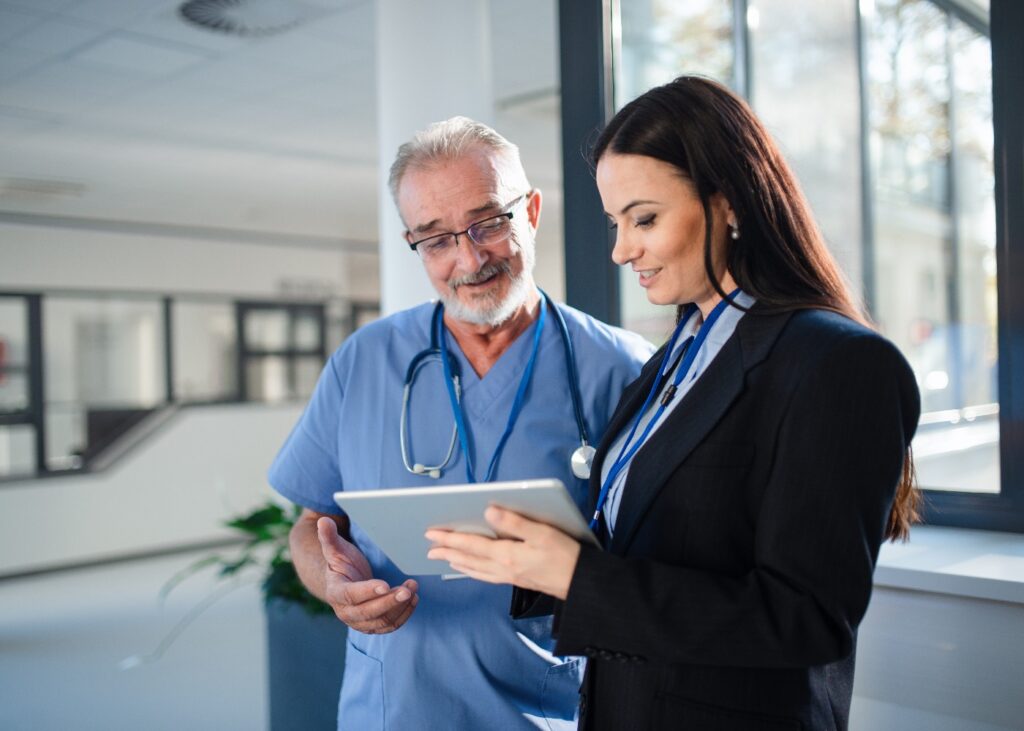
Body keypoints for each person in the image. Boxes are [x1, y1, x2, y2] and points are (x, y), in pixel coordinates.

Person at [425, 77, 922, 731]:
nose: (621, 249)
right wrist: (540, 553)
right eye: (615, 222)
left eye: (645, 218)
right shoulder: (679, 353)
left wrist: (580, 576)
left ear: (729, 204)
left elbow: (805, 620)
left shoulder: (836, 363)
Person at [267, 116, 652, 730]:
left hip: (550, 708)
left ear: (530, 210)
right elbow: (312, 523)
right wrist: (334, 586)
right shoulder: (364, 361)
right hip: (392, 710)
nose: (468, 259)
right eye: (436, 239)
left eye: (488, 223)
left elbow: (656, 563)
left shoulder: (619, 368)